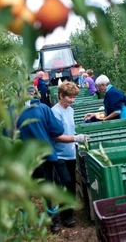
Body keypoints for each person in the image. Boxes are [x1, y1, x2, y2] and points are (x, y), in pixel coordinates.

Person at [16, 85, 89, 233]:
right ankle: (54, 222)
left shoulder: (12, 113)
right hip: (45, 156)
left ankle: (26, 224)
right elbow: (57, 131)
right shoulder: (44, 109)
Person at [51, 81, 79, 227]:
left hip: (71, 153)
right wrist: (74, 138)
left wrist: (76, 138)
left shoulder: (71, 110)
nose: (72, 100)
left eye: (74, 97)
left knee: (71, 184)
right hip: (59, 155)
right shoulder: (55, 112)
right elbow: (56, 135)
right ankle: (65, 215)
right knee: (65, 183)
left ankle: (69, 213)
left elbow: (70, 129)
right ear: (61, 95)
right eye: (70, 97)